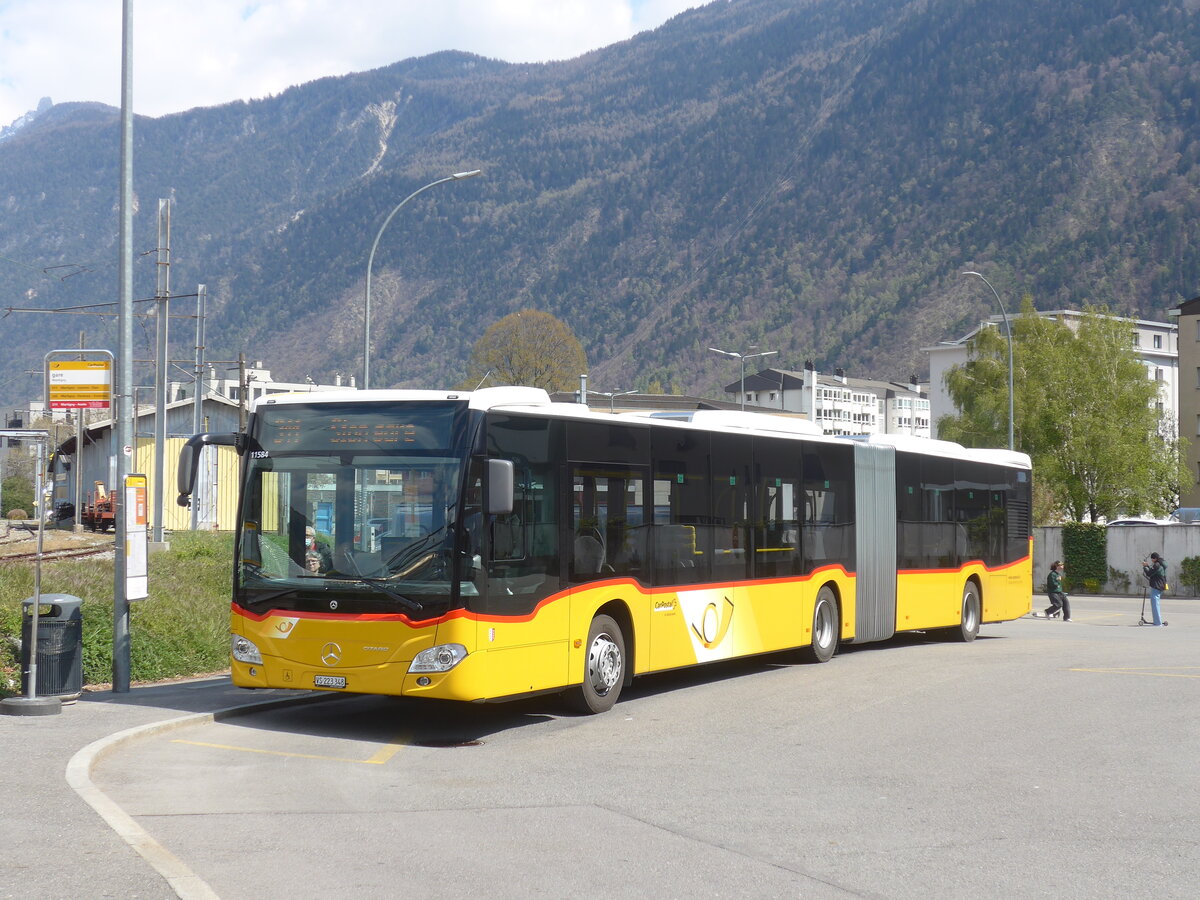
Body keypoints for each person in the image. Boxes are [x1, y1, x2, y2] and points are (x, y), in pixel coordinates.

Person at [1142, 552, 1168, 626]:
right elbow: (1154, 572)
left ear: (1155, 558)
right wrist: (1147, 566)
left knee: (1155, 604)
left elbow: (1149, 573)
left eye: (1152, 559)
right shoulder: (1161, 563)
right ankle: (1158, 621)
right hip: (1160, 585)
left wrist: (1145, 567)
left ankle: (1157, 622)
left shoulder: (1157, 565)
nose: (1152, 560)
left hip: (1157, 586)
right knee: (1156, 604)